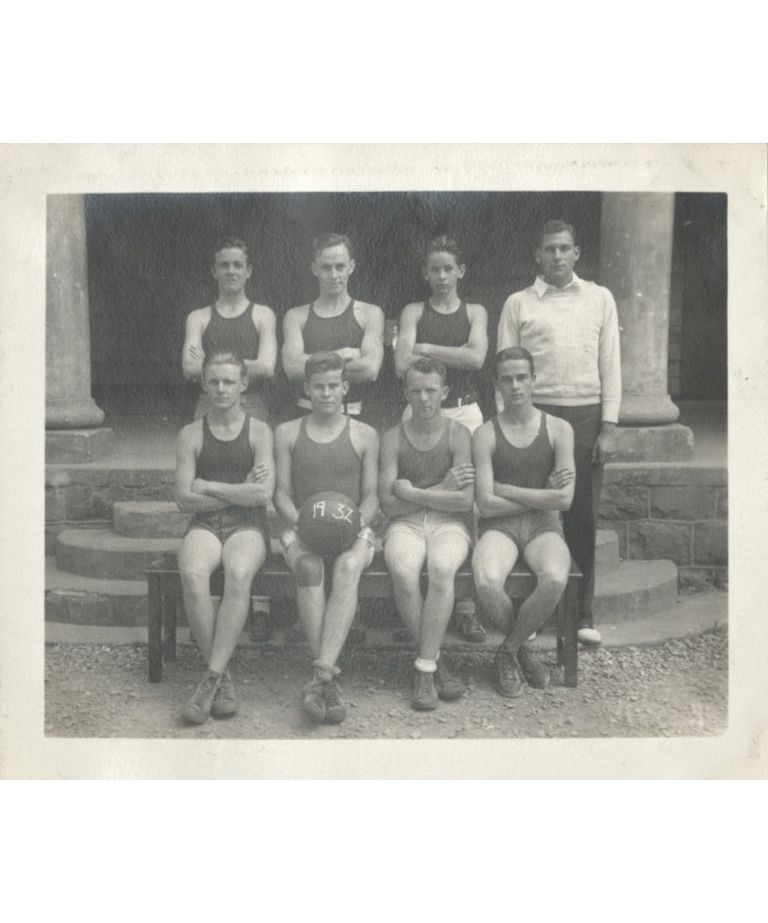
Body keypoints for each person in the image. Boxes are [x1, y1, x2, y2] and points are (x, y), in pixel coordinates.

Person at [497, 219, 621, 647]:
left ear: (576, 252)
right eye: (549, 249)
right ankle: (531, 614)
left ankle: (582, 612)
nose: (557, 256)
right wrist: (507, 428)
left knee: (580, 514)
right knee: (533, 512)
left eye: (564, 248)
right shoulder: (518, 303)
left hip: (585, 415)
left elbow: (610, 364)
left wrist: (608, 426)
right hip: (535, 414)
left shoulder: (600, 298)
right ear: (537, 255)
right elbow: (505, 369)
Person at [274, 351, 379, 724]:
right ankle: (328, 680)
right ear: (307, 389)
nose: (326, 393)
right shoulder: (287, 432)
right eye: (319, 387)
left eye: (333, 386)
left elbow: (372, 497)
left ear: (345, 387)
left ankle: (320, 676)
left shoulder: (364, 434)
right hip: (303, 527)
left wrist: (353, 523)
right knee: (308, 567)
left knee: (349, 566)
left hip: (351, 528)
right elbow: (281, 495)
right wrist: (303, 524)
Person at [394, 235, 489, 643]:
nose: (442, 276)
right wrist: (453, 352)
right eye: (434, 269)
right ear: (425, 273)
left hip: (464, 411)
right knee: (417, 492)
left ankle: (465, 608)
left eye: (449, 268)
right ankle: (412, 604)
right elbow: (402, 364)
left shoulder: (475, 312)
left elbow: (476, 358)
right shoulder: (413, 311)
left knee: (468, 503)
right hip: (421, 407)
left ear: (461, 271)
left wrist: (427, 347)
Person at [175, 350, 275, 724]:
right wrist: (237, 489)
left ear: (243, 384)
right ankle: (221, 676)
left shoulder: (260, 431)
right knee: (192, 574)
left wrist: (209, 485)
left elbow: (262, 495)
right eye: (214, 381)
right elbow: (183, 499)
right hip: (204, 523)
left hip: (247, 525)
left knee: (238, 573)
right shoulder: (190, 434)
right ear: (203, 384)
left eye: (229, 381)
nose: (221, 389)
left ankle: (211, 678)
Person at [472, 347, 575, 698]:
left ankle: (508, 651)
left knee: (555, 578)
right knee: (487, 581)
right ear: (497, 385)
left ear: (534, 380)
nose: (515, 386)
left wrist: (506, 488)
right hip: (499, 527)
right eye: (507, 379)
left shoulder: (559, 429)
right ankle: (523, 649)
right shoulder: (485, 434)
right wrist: (542, 493)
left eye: (521, 378)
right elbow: (486, 504)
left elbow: (564, 500)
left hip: (543, 526)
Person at [379, 357, 474, 710]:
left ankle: (423, 668)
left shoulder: (458, 434)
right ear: (406, 393)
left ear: (444, 392)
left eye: (431, 390)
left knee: (442, 568)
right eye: (416, 391)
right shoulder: (392, 438)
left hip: (449, 524)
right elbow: (388, 505)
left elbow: (463, 500)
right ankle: (433, 663)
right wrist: (442, 488)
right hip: (404, 525)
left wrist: (414, 492)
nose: (423, 398)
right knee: (404, 571)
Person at [282, 233, 385, 422]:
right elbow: (292, 367)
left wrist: (311, 363)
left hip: (353, 414)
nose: (334, 275)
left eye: (340, 267)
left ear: (351, 267)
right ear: (314, 269)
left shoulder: (370, 313)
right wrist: (342, 355)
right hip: (307, 413)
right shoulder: (296, 316)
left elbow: (370, 369)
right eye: (326, 267)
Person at [182, 237, 277, 423]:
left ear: (248, 271)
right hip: (209, 404)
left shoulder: (263, 315)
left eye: (238, 265)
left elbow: (266, 367)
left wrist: (209, 365)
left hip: (251, 404)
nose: (231, 271)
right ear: (214, 271)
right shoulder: (198, 318)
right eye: (224, 265)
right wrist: (247, 366)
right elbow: (189, 368)